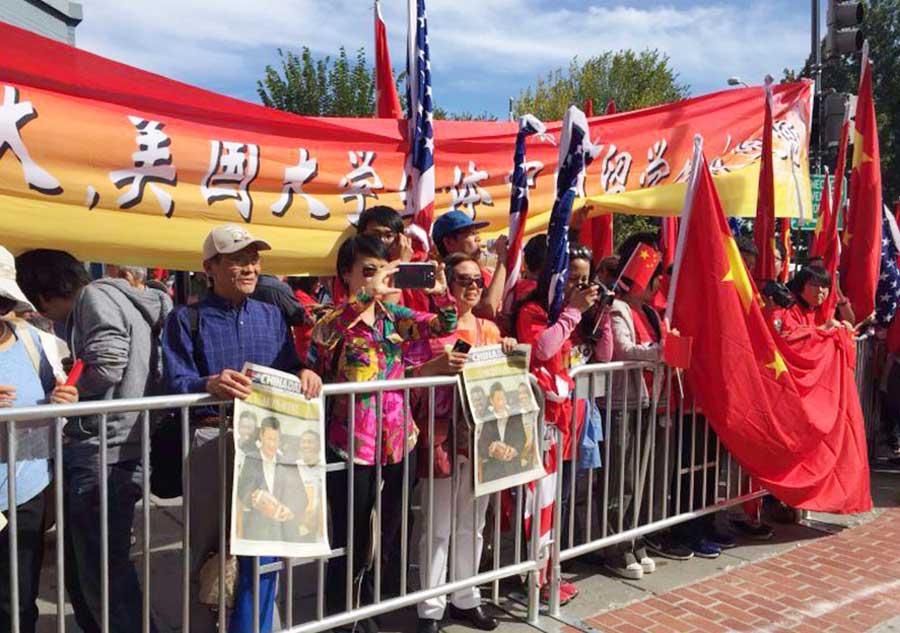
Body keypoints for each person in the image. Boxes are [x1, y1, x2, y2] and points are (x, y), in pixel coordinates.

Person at [161, 224, 322, 633]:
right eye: (237, 259)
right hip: (210, 441)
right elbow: (174, 381)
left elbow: (288, 366)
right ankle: (200, 626)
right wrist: (207, 384)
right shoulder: (186, 319)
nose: (249, 267)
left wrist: (304, 372)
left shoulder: (271, 315)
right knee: (206, 548)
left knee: (266, 543)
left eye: (253, 259)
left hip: (269, 442)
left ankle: (260, 625)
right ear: (209, 267)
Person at [16, 248, 171, 633]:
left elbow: (108, 362)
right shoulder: (124, 297)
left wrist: (70, 387)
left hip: (106, 449)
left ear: (45, 295)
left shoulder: (94, 296)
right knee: (89, 568)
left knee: (103, 572)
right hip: (115, 445)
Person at [312, 234, 456, 633]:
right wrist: (364, 298)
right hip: (353, 445)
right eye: (367, 272)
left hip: (399, 443)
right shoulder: (336, 317)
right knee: (351, 539)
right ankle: (343, 617)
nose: (377, 280)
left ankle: (370, 607)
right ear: (347, 275)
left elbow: (444, 323)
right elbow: (321, 339)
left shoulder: (395, 317)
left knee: (388, 535)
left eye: (382, 270)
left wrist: (440, 293)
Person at [406, 252, 516, 633]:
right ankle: (431, 608)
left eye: (477, 281)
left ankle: (466, 597)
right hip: (441, 429)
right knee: (437, 526)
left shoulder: (489, 329)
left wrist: (509, 351)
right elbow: (409, 374)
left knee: (474, 520)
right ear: (447, 283)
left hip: (481, 433)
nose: (471, 286)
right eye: (463, 279)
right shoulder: (429, 328)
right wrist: (433, 369)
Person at [515, 242, 612, 603]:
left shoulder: (572, 314)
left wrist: (598, 314)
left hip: (568, 420)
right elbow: (542, 349)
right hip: (537, 424)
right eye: (573, 278)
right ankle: (532, 578)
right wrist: (572, 312)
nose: (581, 287)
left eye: (586, 280)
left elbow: (601, 354)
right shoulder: (533, 310)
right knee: (535, 505)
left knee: (557, 502)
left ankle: (545, 574)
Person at [0, 247, 79, 633]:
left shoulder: (32, 340)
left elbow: (53, 392)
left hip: (26, 490)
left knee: (17, 601)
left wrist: (63, 397)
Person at [236, 417, 308, 542]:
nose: (272, 444)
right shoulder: (251, 459)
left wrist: (290, 510)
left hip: (285, 535)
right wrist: (253, 497)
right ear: (261, 435)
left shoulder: (288, 462)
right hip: (259, 534)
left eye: (275, 439)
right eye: (269, 439)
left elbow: (302, 497)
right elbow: (242, 491)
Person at [432, 210, 508, 319]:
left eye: (478, 281)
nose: (478, 239)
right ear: (449, 242)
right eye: (472, 234)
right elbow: (486, 311)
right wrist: (502, 259)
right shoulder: (440, 278)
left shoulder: (482, 272)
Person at [477, 383, 529, 483]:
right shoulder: (487, 419)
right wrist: (491, 450)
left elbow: (522, 439)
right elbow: (481, 445)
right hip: (493, 471)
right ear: (492, 401)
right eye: (498, 399)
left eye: (503, 399)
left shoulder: (515, 416)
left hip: (513, 468)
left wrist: (514, 450)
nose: (502, 403)